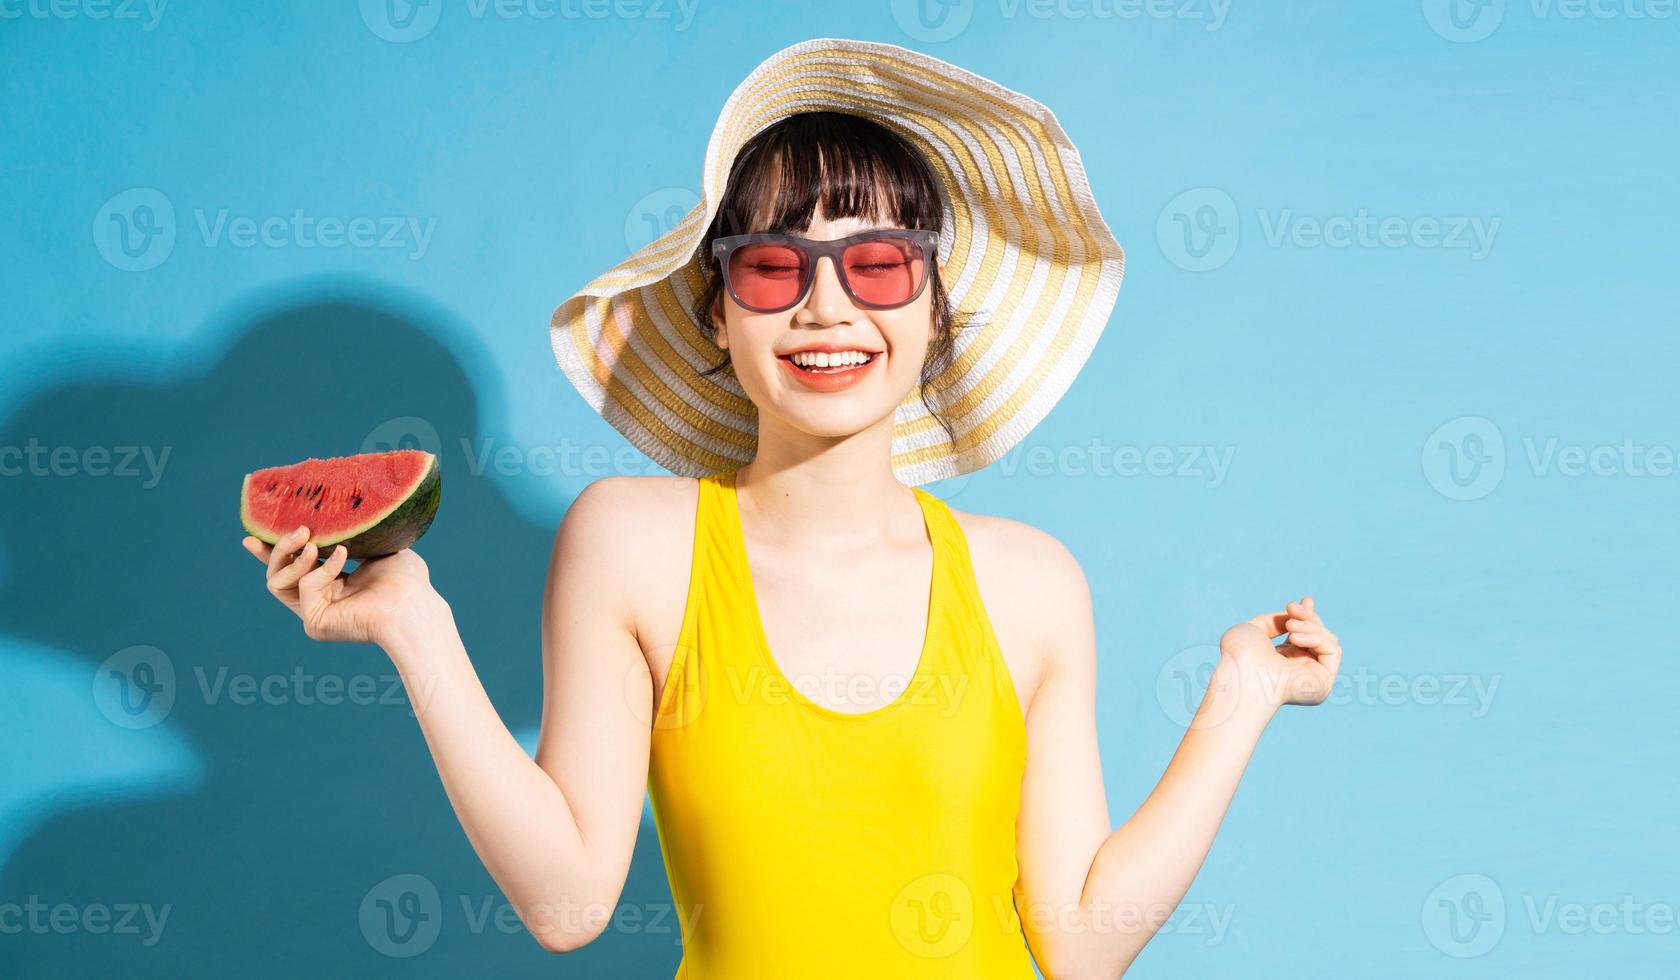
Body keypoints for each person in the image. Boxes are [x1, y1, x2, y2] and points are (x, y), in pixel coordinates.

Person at [242, 38, 1342, 979]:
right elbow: (568, 901)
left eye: (878, 263)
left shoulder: (1030, 580)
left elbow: (1083, 943)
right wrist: (414, 627)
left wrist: (1242, 695)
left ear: (932, 309)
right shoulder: (633, 544)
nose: (828, 306)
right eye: (774, 266)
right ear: (717, 312)